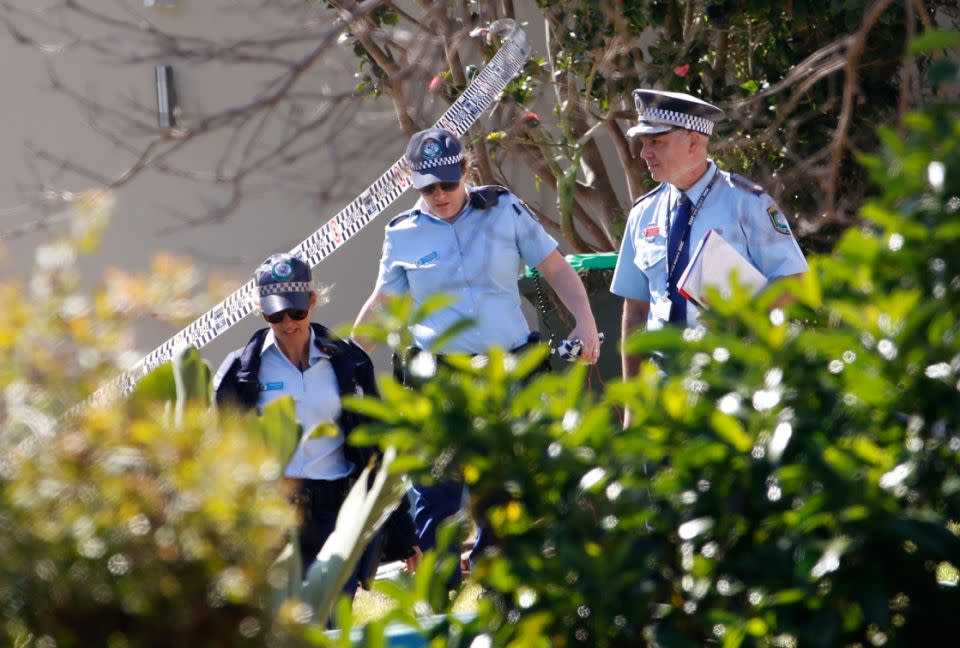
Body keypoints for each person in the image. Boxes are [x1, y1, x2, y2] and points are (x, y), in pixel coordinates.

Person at [352, 126, 601, 581]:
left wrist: (585, 320)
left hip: (507, 374)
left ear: (466, 170)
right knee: (434, 492)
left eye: (449, 182)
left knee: (505, 491)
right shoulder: (403, 234)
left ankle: (496, 583)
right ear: (413, 183)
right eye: (428, 187)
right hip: (440, 379)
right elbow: (382, 302)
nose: (441, 194)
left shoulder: (503, 210)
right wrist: (349, 355)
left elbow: (555, 267)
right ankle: (438, 590)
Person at [213, 252, 421, 588]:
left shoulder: (349, 363)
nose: (288, 322)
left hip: (339, 514)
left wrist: (401, 530)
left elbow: (376, 447)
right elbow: (223, 457)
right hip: (277, 519)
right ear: (259, 310)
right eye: (275, 314)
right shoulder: (240, 374)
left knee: (335, 619)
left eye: (297, 310)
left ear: (312, 301)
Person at [611, 89, 808, 424]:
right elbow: (636, 312)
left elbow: (795, 284)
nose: (644, 153)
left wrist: (741, 317)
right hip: (661, 394)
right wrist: (633, 407)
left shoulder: (747, 204)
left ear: (693, 142)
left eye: (656, 142)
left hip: (729, 387)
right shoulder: (643, 213)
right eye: (643, 143)